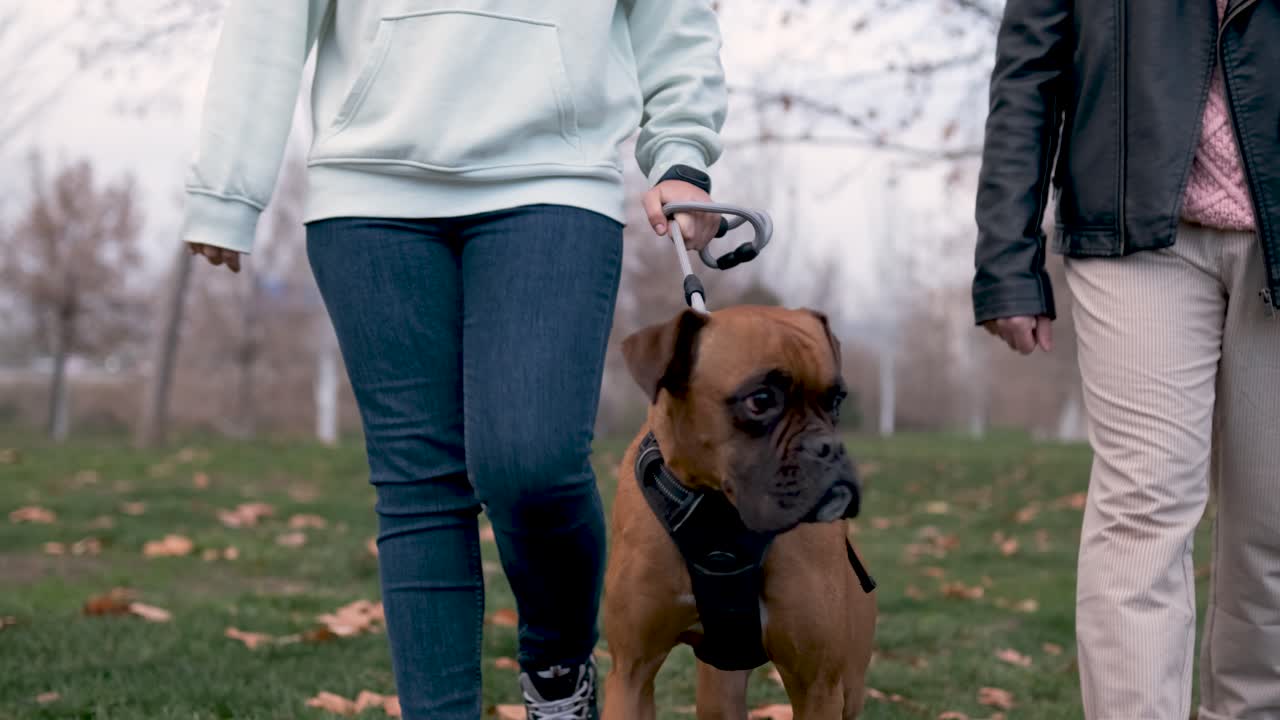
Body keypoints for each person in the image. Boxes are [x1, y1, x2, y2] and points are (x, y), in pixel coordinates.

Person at [180, 3, 728, 718]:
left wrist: (682, 154)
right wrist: (229, 185)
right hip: (368, 190)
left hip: (552, 179)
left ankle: (560, 672)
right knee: (420, 485)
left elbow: (674, 15)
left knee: (530, 462)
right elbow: (270, 18)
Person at [973, 0, 1280, 716]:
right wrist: (1007, 263)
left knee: (1271, 529)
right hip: (1132, 232)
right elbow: (1028, 77)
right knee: (1141, 514)